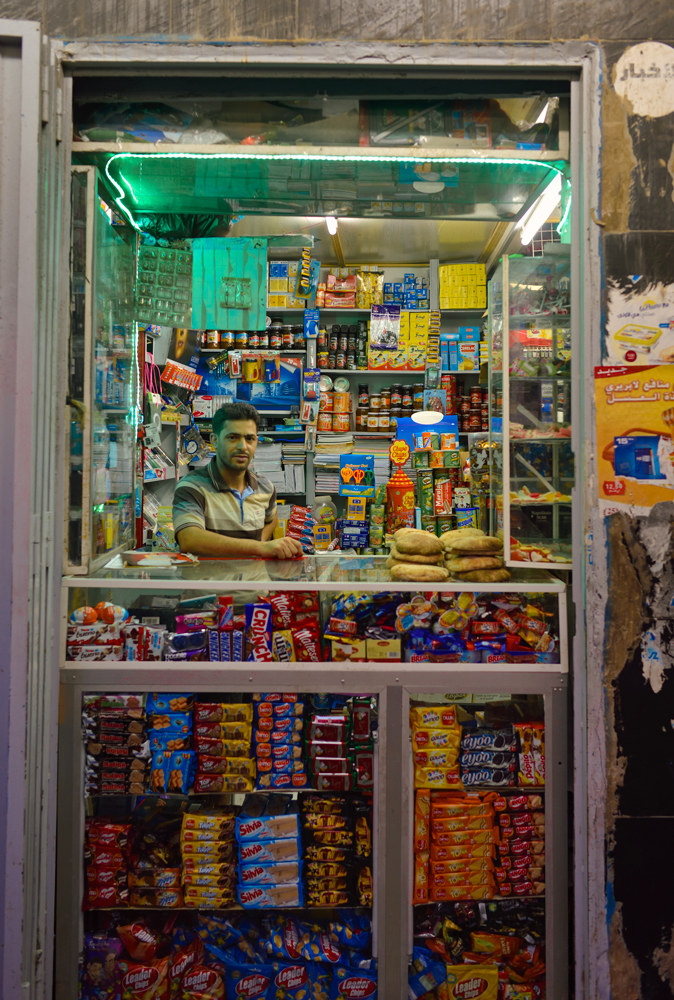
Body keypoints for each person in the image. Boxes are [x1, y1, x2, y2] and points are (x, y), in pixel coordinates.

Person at [173, 401, 303, 559]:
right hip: (210, 581)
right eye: (233, 437)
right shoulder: (192, 486)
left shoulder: (265, 487)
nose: (243, 446)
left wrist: (261, 541)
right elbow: (189, 539)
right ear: (214, 440)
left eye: (250, 439)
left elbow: (271, 517)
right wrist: (260, 547)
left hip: (255, 581)